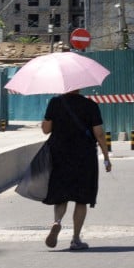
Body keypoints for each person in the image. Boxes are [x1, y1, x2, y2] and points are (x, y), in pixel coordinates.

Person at [40, 88, 111, 250]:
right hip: (84, 157)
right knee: (81, 199)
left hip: (59, 156)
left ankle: (57, 222)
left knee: (61, 195)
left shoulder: (55, 103)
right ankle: (76, 239)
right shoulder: (90, 105)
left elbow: (46, 130)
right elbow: (99, 133)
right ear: (80, 86)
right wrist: (106, 157)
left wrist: (45, 121)